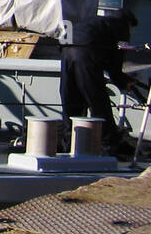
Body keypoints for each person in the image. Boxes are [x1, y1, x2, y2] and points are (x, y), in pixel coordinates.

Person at [59, 10, 138, 155]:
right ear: (129, 24)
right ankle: (108, 143)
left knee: (71, 99)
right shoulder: (121, 27)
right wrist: (123, 81)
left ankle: (69, 142)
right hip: (86, 54)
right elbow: (115, 62)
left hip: (66, 50)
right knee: (97, 99)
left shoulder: (97, 20)